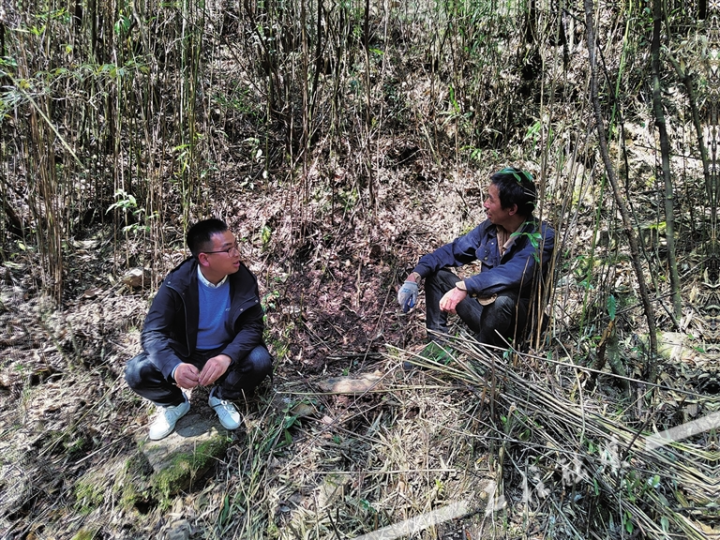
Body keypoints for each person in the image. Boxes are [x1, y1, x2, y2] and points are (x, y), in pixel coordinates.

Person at [125, 219, 273, 440]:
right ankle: (174, 403)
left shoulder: (243, 278)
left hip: (224, 348)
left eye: (236, 245)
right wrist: (174, 367)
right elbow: (152, 333)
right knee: (136, 371)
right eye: (228, 249)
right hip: (185, 352)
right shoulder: (177, 284)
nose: (237, 253)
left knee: (260, 360)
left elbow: (252, 326)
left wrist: (226, 357)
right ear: (204, 258)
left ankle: (222, 396)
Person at [397, 167, 554, 352]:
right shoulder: (490, 228)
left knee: (503, 301)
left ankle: (481, 357)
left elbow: (515, 272)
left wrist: (464, 287)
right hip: (485, 315)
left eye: (491, 200)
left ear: (512, 209)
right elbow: (453, 251)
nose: (485, 204)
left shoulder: (543, 236)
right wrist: (415, 276)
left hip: (519, 326)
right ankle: (438, 348)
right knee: (437, 276)